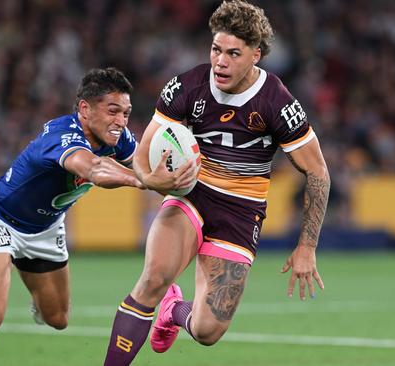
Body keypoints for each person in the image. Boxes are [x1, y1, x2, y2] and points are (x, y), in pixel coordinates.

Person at [103, 1, 330, 364]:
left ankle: (174, 311)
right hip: (192, 194)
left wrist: (307, 247)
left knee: (208, 331)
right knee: (153, 279)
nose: (220, 61)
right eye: (216, 49)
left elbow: (318, 172)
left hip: (241, 212)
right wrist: (151, 179)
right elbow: (145, 152)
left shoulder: (277, 103)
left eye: (233, 53)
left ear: (256, 55)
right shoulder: (187, 86)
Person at [0, 67, 143, 366]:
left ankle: (27, 274)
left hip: (45, 229)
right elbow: (94, 169)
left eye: (126, 112)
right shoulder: (61, 135)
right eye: (113, 111)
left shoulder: (117, 137)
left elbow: (145, 163)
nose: (121, 121)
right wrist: (143, 181)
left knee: (58, 319)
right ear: (85, 109)